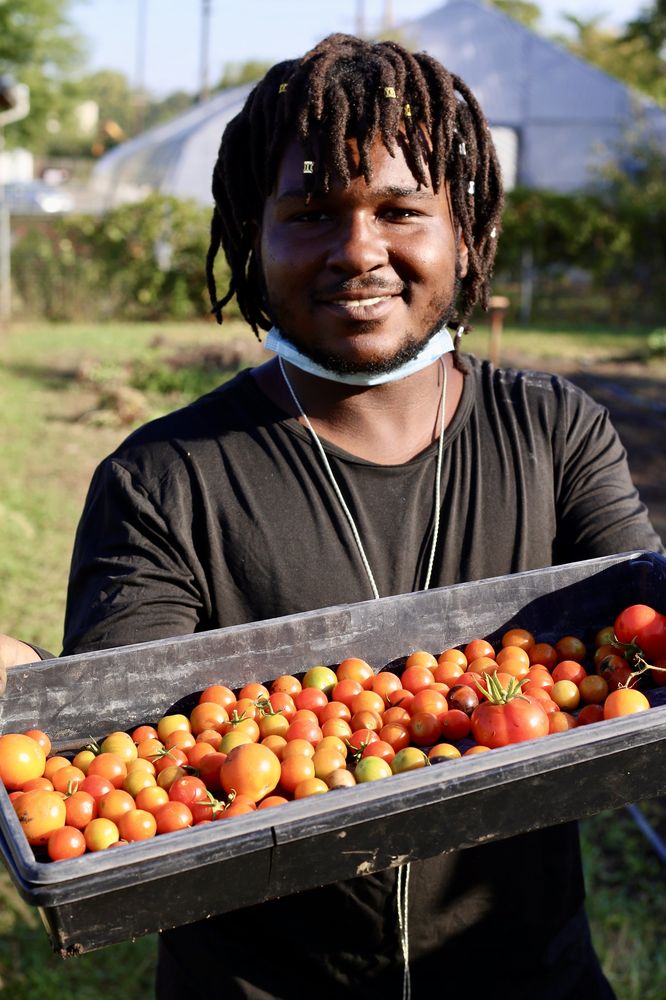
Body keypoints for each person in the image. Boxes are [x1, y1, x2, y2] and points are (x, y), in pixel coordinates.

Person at [1, 33, 663, 1000]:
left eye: (401, 209)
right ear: (251, 236)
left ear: (464, 233)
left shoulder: (553, 434)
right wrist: (33, 702)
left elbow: (640, 639)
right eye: (312, 213)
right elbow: (127, 750)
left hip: (525, 972)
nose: (359, 249)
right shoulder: (164, 479)